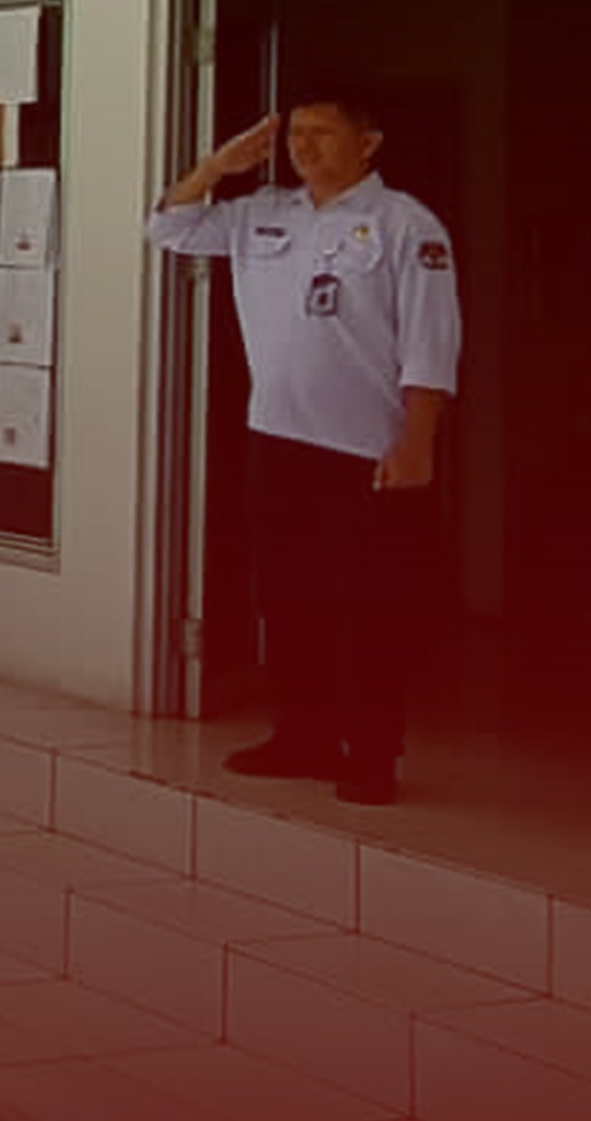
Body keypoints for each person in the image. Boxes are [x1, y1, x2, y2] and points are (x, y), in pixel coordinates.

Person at [148, 95, 462, 806]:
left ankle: (371, 753)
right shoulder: (263, 213)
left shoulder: (405, 223)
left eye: (322, 133)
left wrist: (417, 440)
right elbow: (167, 227)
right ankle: (304, 734)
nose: (303, 146)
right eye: (295, 134)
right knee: (289, 598)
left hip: (366, 449)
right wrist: (216, 166)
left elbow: (431, 340)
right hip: (278, 437)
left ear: (368, 141)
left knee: (368, 608)